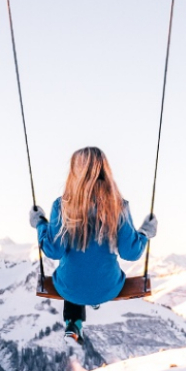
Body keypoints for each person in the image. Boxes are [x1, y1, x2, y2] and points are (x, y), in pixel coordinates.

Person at [29, 146, 157, 342]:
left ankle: (73, 321)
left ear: (74, 171)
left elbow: (53, 251)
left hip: (69, 288)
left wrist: (40, 224)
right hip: (109, 287)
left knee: (69, 272)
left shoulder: (62, 205)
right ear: (105, 171)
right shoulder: (118, 206)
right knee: (95, 269)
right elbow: (130, 253)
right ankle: (93, 299)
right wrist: (145, 232)